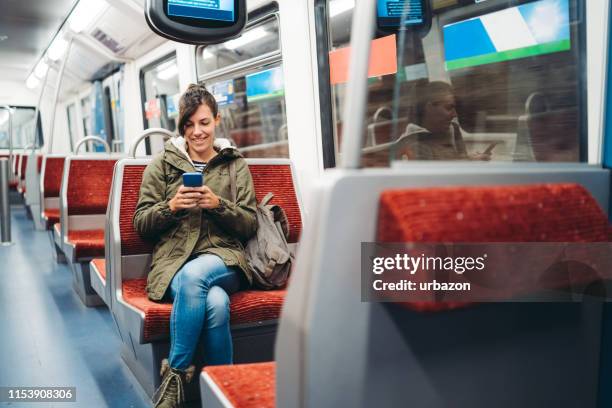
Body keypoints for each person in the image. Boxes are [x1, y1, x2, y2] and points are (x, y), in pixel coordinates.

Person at [133, 84, 257, 408]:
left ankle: (174, 379)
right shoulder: (162, 165)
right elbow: (141, 224)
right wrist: (171, 207)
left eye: (203, 122)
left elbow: (249, 223)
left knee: (196, 277)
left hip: (225, 259)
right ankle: (223, 392)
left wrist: (217, 204)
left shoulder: (234, 165)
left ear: (217, 120)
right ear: (181, 127)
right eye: (189, 125)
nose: (197, 132)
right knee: (215, 304)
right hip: (174, 262)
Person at [399, 80, 491, 161]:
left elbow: (461, 159)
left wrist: (473, 158)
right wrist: (470, 161)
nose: (454, 114)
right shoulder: (414, 142)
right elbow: (433, 175)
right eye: (448, 108)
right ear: (429, 108)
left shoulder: (453, 130)